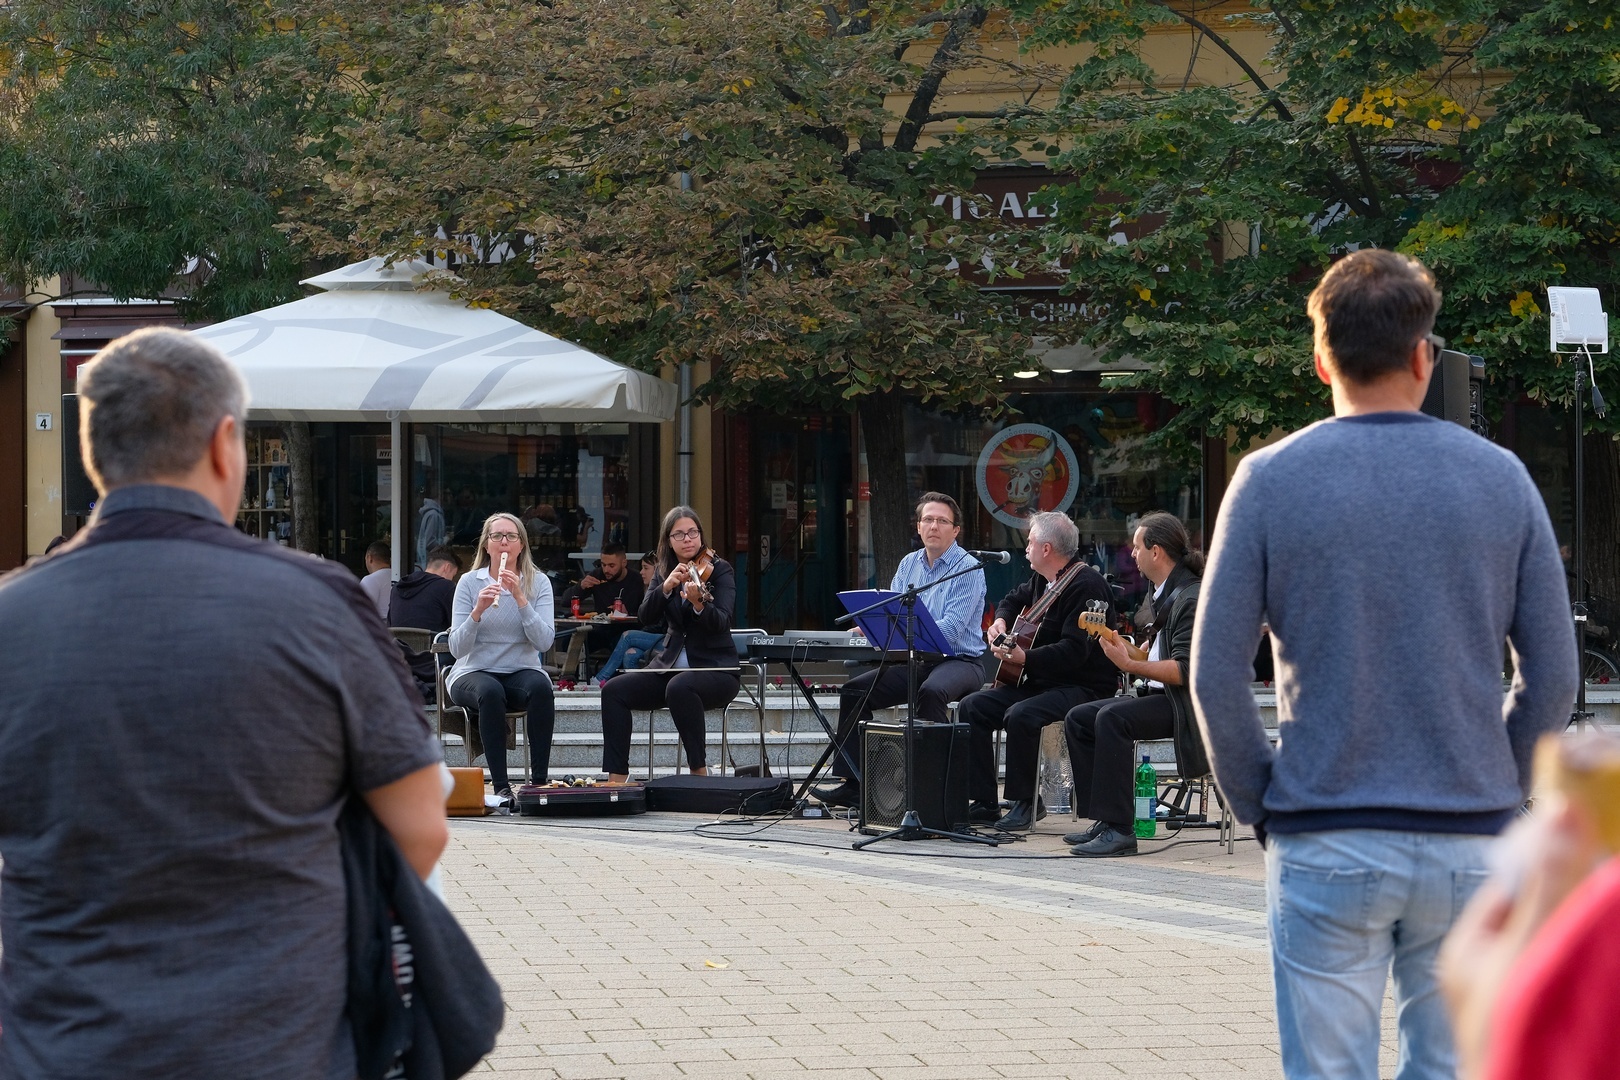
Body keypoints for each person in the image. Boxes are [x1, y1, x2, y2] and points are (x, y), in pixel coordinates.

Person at [0, 326, 447, 1078]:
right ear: (224, 443)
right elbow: (421, 826)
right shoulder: (317, 602)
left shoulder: (12, 618)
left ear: (92, 451)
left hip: (64, 1044)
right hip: (279, 1039)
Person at [1190, 248, 1577, 1080]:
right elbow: (1553, 676)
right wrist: (1497, 784)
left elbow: (1215, 673)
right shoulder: (1501, 479)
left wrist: (1264, 805)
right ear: (1424, 357)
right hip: (1469, 835)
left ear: (1320, 358)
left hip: (1324, 827)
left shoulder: (1267, 480)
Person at [810, 492, 987, 809]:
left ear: (956, 530)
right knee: (854, 692)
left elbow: (950, 631)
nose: (934, 526)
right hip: (916, 660)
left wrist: (900, 630)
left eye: (942, 521)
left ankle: (933, 791)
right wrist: (871, 627)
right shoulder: (909, 564)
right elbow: (891, 612)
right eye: (927, 520)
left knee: (931, 691)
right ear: (918, 526)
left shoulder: (969, 568)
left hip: (961, 660)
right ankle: (854, 784)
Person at [961, 511, 1119, 831]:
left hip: (1083, 685)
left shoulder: (1089, 587)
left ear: (1047, 549)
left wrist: (1025, 658)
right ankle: (985, 802)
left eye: (1030, 542)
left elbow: (1075, 651)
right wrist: (1000, 621)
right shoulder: (1043, 579)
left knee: (1022, 715)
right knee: (972, 707)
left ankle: (1026, 803)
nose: (1026, 548)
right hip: (1039, 680)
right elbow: (1011, 599)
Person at [1062, 512, 1206, 857]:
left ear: (1156, 551)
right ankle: (1104, 818)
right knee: (1079, 718)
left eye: (1138, 547)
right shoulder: (1163, 592)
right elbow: (1162, 654)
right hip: (1163, 696)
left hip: (1185, 704)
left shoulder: (1191, 597)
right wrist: (1134, 652)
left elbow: (1186, 670)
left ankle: (1121, 831)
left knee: (1112, 718)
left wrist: (1129, 664)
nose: (1133, 554)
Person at [600, 506, 739, 782]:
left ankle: (699, 773)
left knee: (680, 686)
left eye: (693, 532)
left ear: (700, 535)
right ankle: (617, 779)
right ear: (669, 540)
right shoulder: (665, 572)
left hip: (715, 670)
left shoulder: (720, 570)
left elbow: (722, 621)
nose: (687, 539)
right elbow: (644, 616)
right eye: (679, 534)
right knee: (613, 690)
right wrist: (665, 589)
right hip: (669, 667)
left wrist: (699, 604)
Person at [446, 512, 557, 805]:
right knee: (490, 691)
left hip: (520, 668)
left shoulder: (538, 583)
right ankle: (501, 787)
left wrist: (520, 598)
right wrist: (477, 612)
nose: (504, 542)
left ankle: (538, 784)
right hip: (473, 669)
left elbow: (544, 641)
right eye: (497, 536)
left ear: (522, 545)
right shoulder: (469, 582)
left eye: (511, 536)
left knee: (541, 688)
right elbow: (456, 648)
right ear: (486, 545)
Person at [594, 554, 666, 685]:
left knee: (628, 636)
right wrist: (630, 615)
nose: (641, 572)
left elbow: (660, 624)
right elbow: (646, 618)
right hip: (654, 637)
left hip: (667, 640)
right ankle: (635, 690)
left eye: (645, 568)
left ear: (658, 570)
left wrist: (640, 633)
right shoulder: (648, 590)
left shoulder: (665, 590)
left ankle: (599, 680)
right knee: (630, 654)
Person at [390, 544, 461, 632]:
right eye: (453, 575)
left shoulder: (397, 588)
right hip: (432, 640)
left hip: (397, 641)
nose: (452, 579)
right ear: (447, 567)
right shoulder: (446, 587)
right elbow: (458, 626)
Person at [359, 539, 392, 619]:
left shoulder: (370, 580)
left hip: (378, 624)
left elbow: (360, 611)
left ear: (369, 558)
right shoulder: (400, 576)